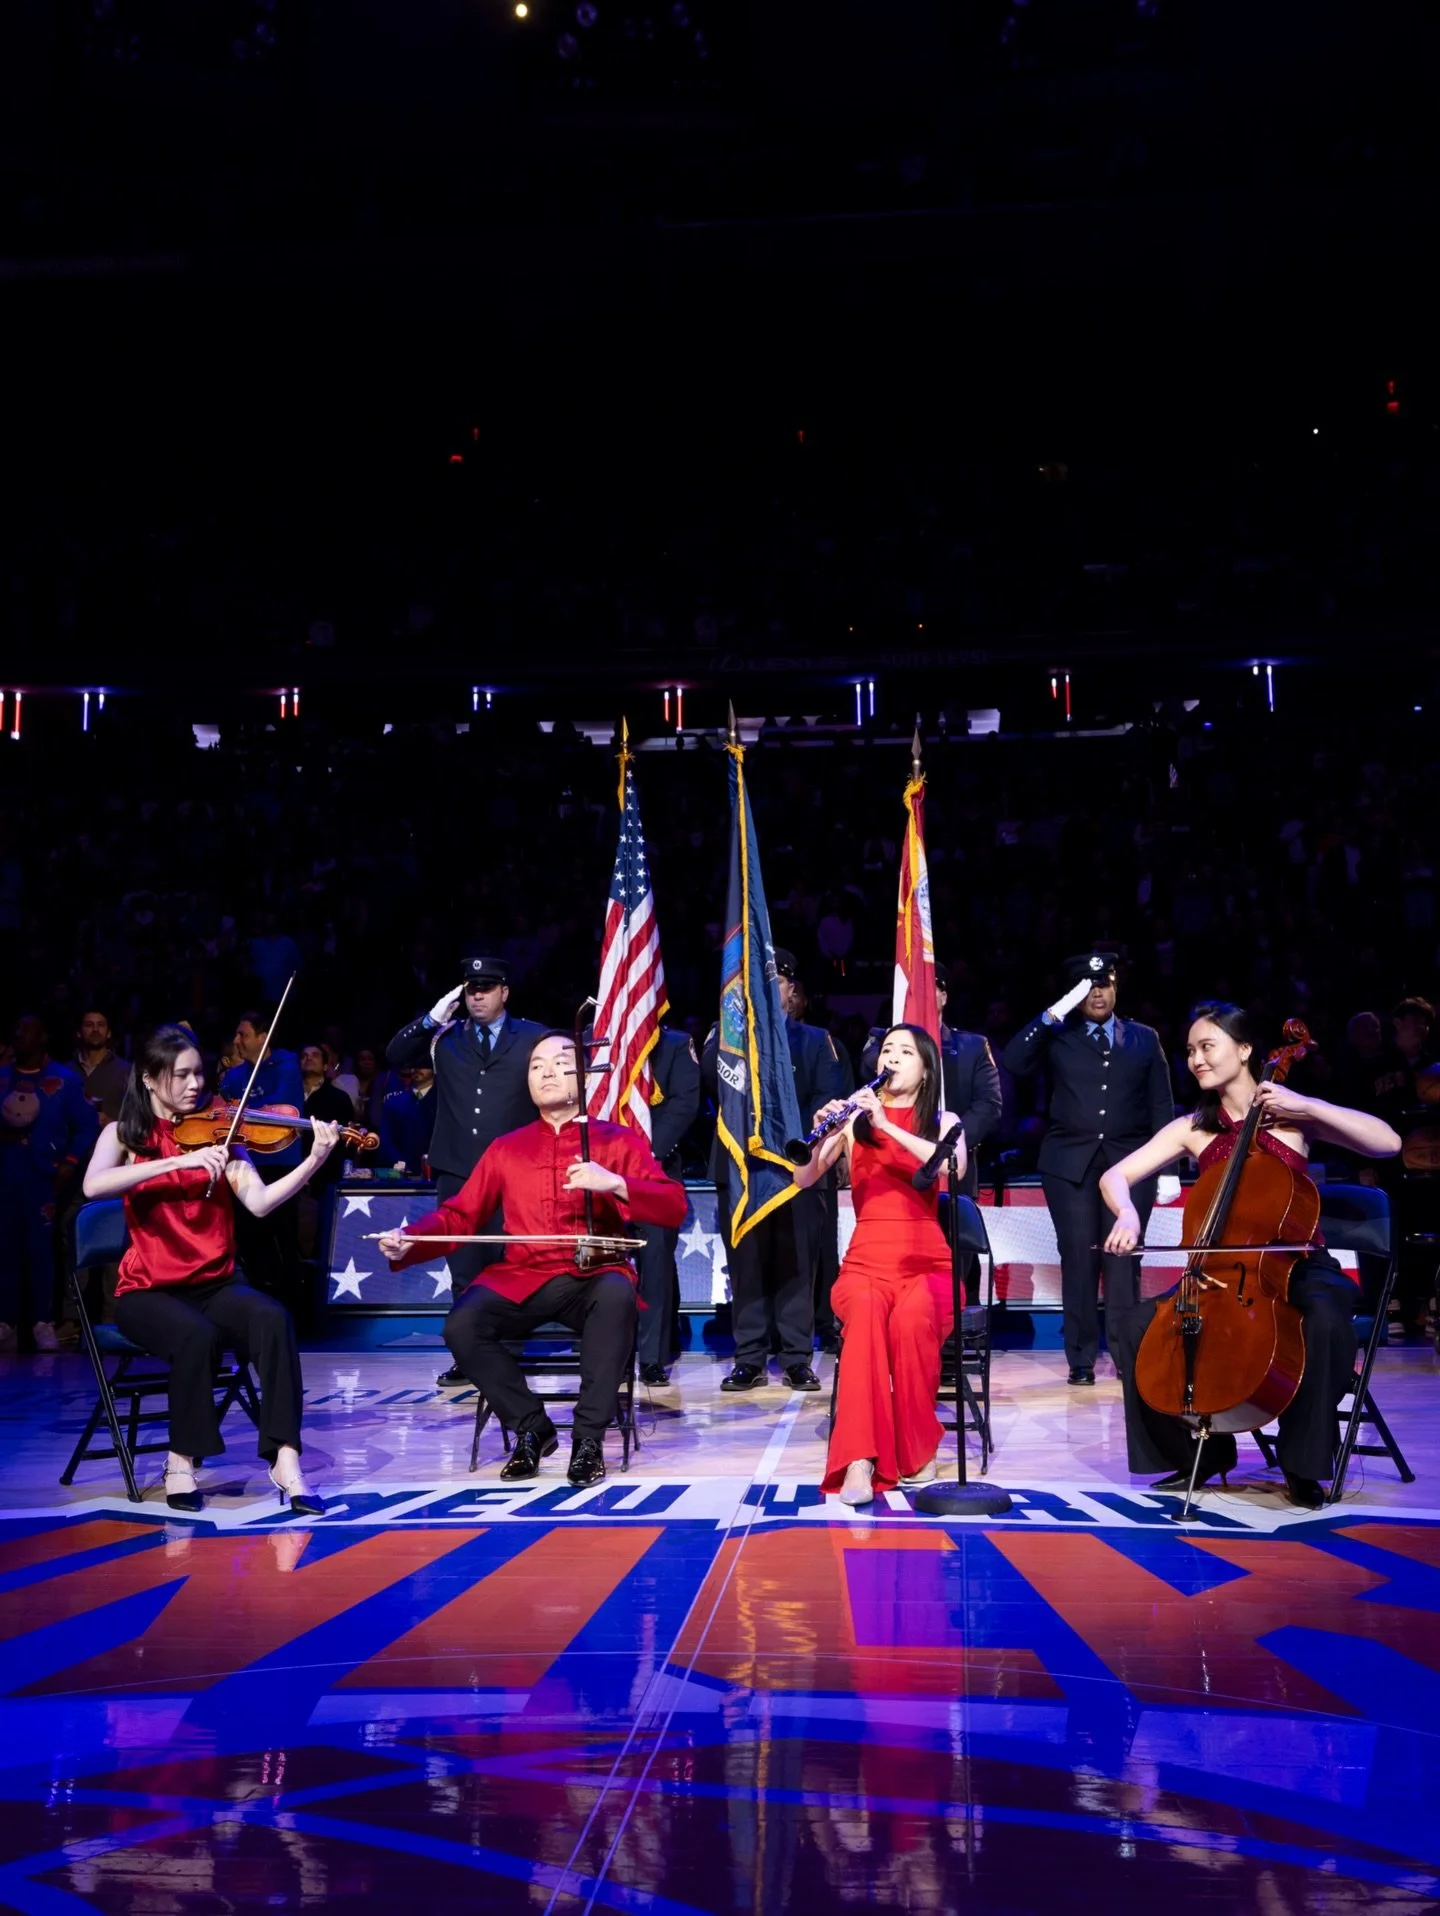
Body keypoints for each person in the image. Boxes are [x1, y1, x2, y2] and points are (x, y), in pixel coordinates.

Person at [1101, 1001, 1402, 1507]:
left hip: (1299, 1261)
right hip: (1217, 1270)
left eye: (1208, 1047)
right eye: (1191, 1050)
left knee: (1326, 1322)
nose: (1196, 1059)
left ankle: (1303, 1466)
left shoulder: (1292, 1118)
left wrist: (1309, 1106)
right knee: (1135, 1329)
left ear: (1244, 1051)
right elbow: (1116, 1176)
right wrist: (1127, 1214)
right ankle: (1200, 1453)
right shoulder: (1195, 1128)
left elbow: (1388, 1143)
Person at [378, 1032, 687, 1487]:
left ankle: (588, 1440)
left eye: (560, 1063)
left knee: (617, 1295)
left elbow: (672, 1205)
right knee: (462, 1326)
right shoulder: (508, 1147)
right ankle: (531, 1428)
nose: (546, 1072)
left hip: (593, 1273)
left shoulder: (617, 1140)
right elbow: (461, 1215)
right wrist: (411, 1239)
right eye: (536, 1065)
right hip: (521, 1274)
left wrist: (615, 1183)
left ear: (583, 1076)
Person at [82, 1024, 341, 1514]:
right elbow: (95, 1187)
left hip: (215, 1283)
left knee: (272, 1318)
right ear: (150, 1079)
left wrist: (313, 1159)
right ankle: (180, 1461)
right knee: (196, 1337)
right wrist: (173, 1164)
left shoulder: (222, 1131)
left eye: (199, 1072)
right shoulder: (123, 1135)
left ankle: (285, 1459)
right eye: (181, 1075)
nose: (195, 1084)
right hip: (147, 1291)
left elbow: (261, 1203)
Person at [794, 1024, 962, 1507]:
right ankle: (859, 1459)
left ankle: (916, 1449)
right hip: (866, 1264)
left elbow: (953, 1168)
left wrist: (886, 1126)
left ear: (926, 1069)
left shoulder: (944, 1120)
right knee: (864, 1317)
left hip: (927, 1264)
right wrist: (827, 1126)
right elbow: (804, 1177)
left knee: (911, 1323)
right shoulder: (853, 1121)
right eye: (886, 1050)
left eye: (905, 1052)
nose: (891, 1058)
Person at [1001, 952, 1174, 1386]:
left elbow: (1160, 1105)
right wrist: (1053, 1012)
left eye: (1105, 984)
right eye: (1087, 986)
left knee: (1122, 1259)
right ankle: (1080, 1358)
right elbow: (1014, 1061)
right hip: (1068, 1165)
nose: (1098, 992)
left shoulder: (1144, 1038)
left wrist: (1167, 1164)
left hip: (1131, 1165)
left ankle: (1124, 1354)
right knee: (1078, 1257)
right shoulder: (1058, 1035)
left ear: (1117, 988)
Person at [386, 955, 546, 1382]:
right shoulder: (445, 1037)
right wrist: (431, 1018)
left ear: (504, 992)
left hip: (515, 1171)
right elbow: (394, 1053)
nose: (478, 994)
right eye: (471, 987)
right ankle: (469, 1353)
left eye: (487, 987)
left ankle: (508, 1351)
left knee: (511, 1263)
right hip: (458, 1171)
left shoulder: (533, 1036)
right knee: (465, 1268)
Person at [701, 948, 848, 1393]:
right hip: (742, 1169)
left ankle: (797, 1358)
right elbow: (710, 1080)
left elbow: (827, 1100)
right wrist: (730, 1028)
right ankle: (748, 1358)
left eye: (777, 983)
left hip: (796, 1170)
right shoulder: (726, 1040)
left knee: (797, 1266)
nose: (768, 992)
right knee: (746, 1266)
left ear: (791, 991)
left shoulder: (815, 1040)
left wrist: (789, 1150)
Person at [860, 962, 1003, 1200]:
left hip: (952, 1165)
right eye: (913, 989)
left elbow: (988, 1106)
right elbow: (870, 1069)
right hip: (892, 1161)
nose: (920, 995)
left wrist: (946, 1147)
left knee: (954, 1233)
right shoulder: (880, 1044)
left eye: (928, 987)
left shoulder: (972, 1047)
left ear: (944, 996)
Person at [0, 1014, 99, 1352]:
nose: (18, 1034)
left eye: (26, 1030)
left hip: (43, 1181)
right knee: (5, 1251)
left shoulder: (64, 1081)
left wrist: (70, 1163)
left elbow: (86, 1126)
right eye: (16, 1030)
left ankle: (43, 1321)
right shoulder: (1, 1079)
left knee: (40, 1251)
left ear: (42, 1037)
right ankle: (6, 1321)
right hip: (6, 1178)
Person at [220, 1009, 307, 1311]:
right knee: (248, 1239)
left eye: (242, 1034)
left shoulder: (286, 1064)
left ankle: (292, 1311)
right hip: (245, 1164)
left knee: (282, 1238)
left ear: (263, 1036)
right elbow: (222, 1110)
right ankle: (255, 1306)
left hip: (281, 1163)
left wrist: (245, 1112)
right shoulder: (234, 1076)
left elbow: (284, 1108)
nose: (236, 1040)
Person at [632, 1026, 702, 1386]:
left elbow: (685, 1102)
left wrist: (643, 1154)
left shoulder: (676, 1044)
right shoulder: (605, 1043)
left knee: (655, 1260)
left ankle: (652, 1357)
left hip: (656, 1168)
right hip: (603, 1167)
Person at [74, 1010, 131, 1126]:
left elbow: (139, 1118)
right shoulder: (65, 1072)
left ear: (108, 1033)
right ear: (79, 1033)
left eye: (100, 1025)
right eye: (89, 1025)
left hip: (112, 1141)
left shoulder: (126, 1071)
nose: (95, 1030)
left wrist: (111, 1123)